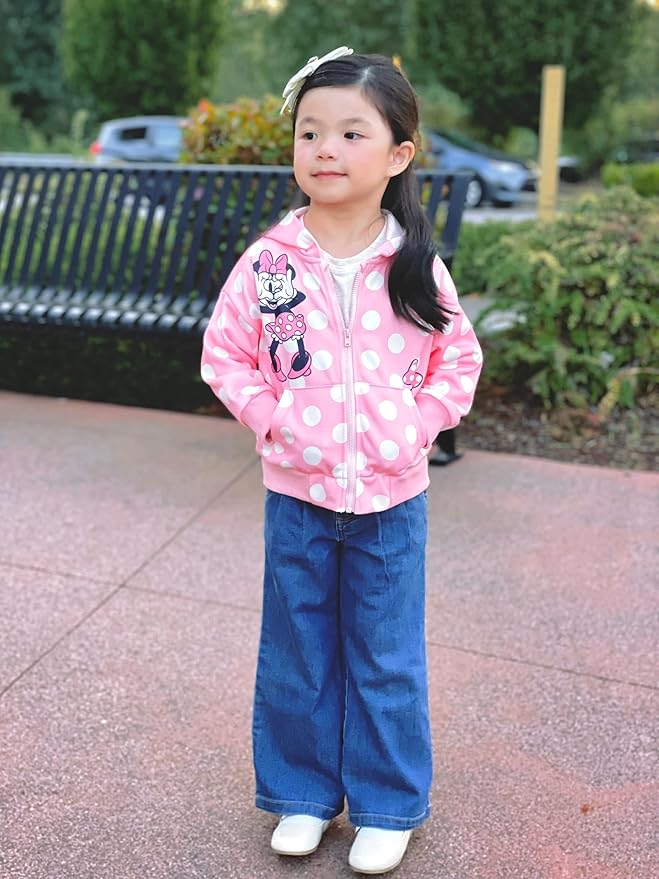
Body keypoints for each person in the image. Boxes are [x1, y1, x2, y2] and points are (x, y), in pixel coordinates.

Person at [201, 46, 483, 875]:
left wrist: (417, 426)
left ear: (397, 154)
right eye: (310, 132)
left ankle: (387, 803)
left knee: (386, 656)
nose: (325, 149)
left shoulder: (413, 263)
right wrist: (276, 422)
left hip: (392, 502)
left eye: (351, 133)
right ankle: (300, 796)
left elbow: (457, 361)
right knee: (297, 651)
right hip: (298, 496)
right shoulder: (270, 261)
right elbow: (226, 356)